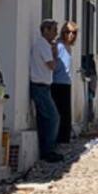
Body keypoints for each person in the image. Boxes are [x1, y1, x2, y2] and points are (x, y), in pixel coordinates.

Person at [29, 20, 63, 164]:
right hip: (40, 87)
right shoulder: (43, 45)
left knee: (45, 120)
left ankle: (46, 150)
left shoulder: (43, 45)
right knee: (53, 118)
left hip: (43, 86)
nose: (56, 33)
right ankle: (48, 151)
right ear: (46, 30)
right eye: (54, 30)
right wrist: (55, 54)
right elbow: (52, 66)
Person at [52, 21, 77, 144]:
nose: (70, 35)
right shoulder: (59, 45)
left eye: (73, 32)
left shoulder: (68, 47)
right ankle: (59, 138)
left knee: (66, 113)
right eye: (67, 32)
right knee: (60, 112)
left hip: (66, 82)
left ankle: (64, 139)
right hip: (57, 82)